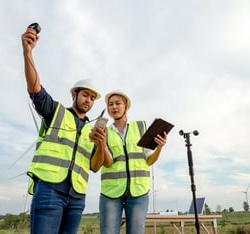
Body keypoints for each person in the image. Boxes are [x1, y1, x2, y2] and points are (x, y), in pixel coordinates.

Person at [21, 26, 106, 234]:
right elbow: (35, 90)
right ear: (74, 95)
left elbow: (95, 166)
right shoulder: (56, 112)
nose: (89, 100)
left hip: (77, 198)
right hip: (49, 189)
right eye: (85, 95)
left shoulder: (93, 131)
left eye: (93, 98)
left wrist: (101, 144)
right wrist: (27, 53)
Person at [97, 90, 168, 234]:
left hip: (138, 192)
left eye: (118, 103)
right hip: (111, 192)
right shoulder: (104, 131)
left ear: (126, 106)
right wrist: (101, 144)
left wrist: (159, 147)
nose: (114, 107)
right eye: (110, 104)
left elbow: (149, 160)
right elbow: (107, 162)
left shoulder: (140, 127)